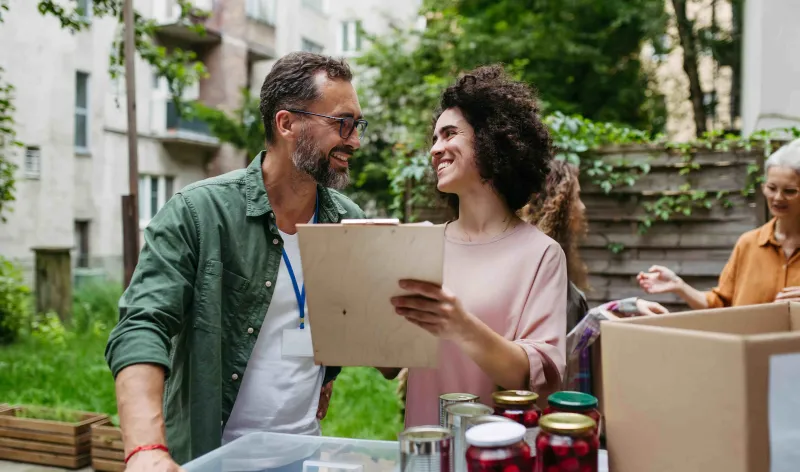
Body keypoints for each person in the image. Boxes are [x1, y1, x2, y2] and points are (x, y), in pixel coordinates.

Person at [104, 52, 368, 471]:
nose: (355, 140)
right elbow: (141, 325)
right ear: (286, 124)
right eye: (343, 123)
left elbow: (342, 320)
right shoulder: (197, 212)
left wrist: (329, 372)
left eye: (358, 125)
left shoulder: (349, 222)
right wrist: (146, 450)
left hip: (304, 456)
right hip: (214, 457)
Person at [382, 65, 568, 426]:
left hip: (497, 453)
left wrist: (460, 324)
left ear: (491, 139)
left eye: (449, 134)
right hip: (426, 450)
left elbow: (532, 378)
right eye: (434, 139)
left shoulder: (541, 255)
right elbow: (389, 365)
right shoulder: (420, 244)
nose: (435, 150)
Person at [638, 138, 800, 307]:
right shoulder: (748, 244)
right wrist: (679, 286)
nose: (778, 198)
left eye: (790, 191)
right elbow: (720, 303)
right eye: (771, 188)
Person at [522, 160, 669, 332]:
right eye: (577, 197)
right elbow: (560, 350)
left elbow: (574, 331)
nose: (582, 207)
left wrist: (626, 307)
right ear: (559, 204)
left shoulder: (546, 259)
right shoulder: (539, 266)